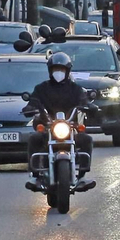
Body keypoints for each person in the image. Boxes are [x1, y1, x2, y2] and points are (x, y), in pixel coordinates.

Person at [21, 52, 95, 191]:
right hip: (48, 128)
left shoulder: (75, 89)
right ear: (50, 70)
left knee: (86, 139)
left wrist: (90, 106)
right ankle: (35, 176)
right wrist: (29, 108)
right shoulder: (41, 88)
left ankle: (82, 176)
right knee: (34, 138)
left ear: (67, 71)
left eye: (61, 69)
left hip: (70, 128)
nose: (58, 72)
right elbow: (33, 102)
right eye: (56, 69)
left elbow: (84, 101)